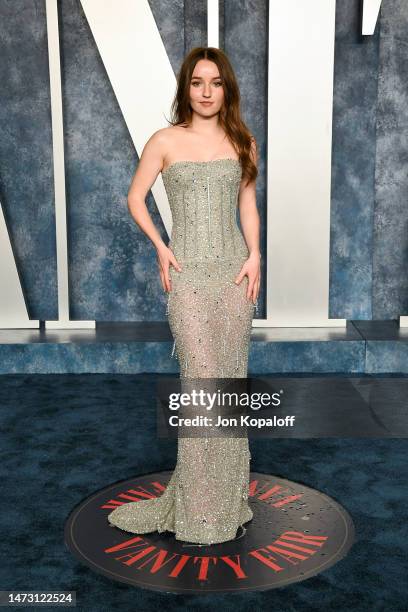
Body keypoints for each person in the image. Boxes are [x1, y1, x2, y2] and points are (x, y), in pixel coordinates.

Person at [108, 46, 261, 545]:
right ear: (186, 89)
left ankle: (228, 498)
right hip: (190, 275)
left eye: (215, 83)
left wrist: (256, 255)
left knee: (229, 383)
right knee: (200, 383)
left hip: (236, 276)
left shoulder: (243, 141)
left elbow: (247, 206)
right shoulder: (165, 140)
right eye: (198, 83)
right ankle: (197, 511)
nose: (207, 92)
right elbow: (135, 196)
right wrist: (160, 247)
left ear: (226, 89)